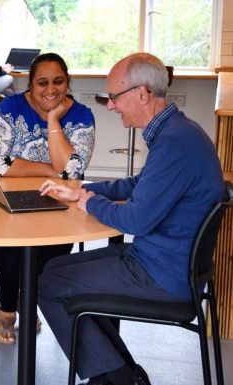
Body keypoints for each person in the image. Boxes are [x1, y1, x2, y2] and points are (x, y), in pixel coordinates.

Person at [37, 53, 225, 385]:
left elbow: (136, 220)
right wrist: (82, 188)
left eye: (114, 97)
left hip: (162, 274)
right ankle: (120, 371)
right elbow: (139, 185)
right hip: (163, 260)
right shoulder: (178, 131)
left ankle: (118, 378)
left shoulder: (175, 143)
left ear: (142, 94)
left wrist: (88, 202)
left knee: (48, 284)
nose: (110, 106)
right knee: (52, 270)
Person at [0, 52, 95, 344]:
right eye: (42, 82)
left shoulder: (82, 115)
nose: (51, 89)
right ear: (29, 84)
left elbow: (73, 172)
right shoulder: (11, 107)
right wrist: (52, 169)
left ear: (68, 82)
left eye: (58, 81)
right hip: (14, 196)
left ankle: (28, 302)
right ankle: (7, 310)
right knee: (9, 247)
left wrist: (53, 119)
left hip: (59, 201)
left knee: (52, 253)